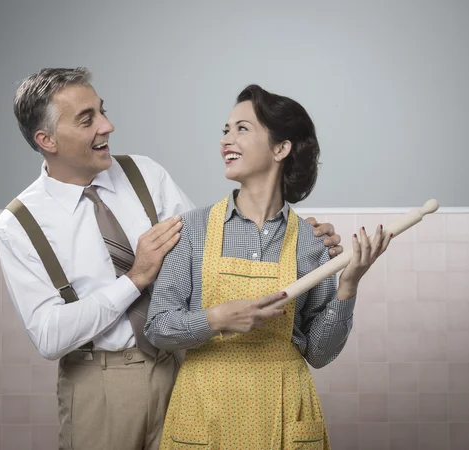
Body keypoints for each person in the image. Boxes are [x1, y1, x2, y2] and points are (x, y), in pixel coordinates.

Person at [0, 68, 344, 450]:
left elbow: (211, 249)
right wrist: (134, 280)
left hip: (184, 369)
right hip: (101, 385)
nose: (107, 126)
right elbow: (48, 336)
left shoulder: (145, 175)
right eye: (87, 119)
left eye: (102, 110)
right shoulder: (17, 225)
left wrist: (289, 235)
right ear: (47, 139)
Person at [144, 84, 392, 450]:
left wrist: (348, 286)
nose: (227, 139)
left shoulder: (311, 243)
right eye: (226, 130)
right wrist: (215, 319)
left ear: (281, 148)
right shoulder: (192, 230)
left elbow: (320, 354)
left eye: (242, 128)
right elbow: (158, 328)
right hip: (205, 412)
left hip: (284, 410)